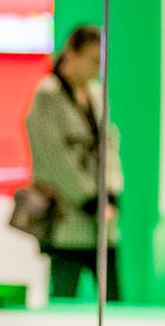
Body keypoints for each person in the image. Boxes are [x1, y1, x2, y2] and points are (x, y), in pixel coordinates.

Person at [25, 24, 123, 302]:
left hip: (103, 223)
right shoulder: (48, 96)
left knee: (113, 298)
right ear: (72, 54)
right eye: (92, 60)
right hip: (67, 217)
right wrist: (89, 198)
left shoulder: (96, 95)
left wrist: (111, 194)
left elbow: (111, 145)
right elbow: (53, 157)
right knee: (64, 295)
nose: (96, 68)